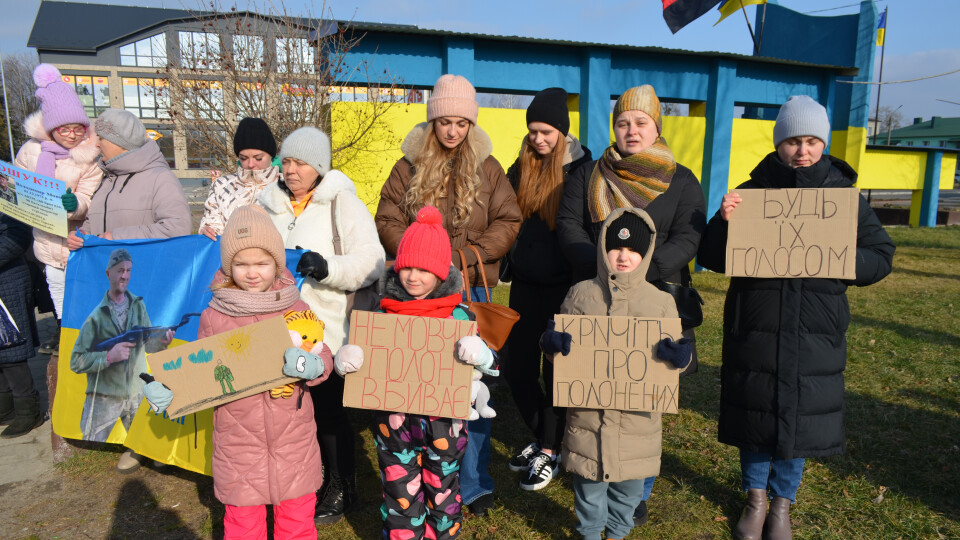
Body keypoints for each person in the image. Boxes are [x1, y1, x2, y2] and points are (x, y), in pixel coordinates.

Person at [697, 95, 895, 540]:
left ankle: (782, 503)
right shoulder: (750, 192)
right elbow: (711, 256)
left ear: (822, 144)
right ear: (778, 143)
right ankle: (755, 498)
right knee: (756, 412)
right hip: (756, 324)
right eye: (791, 141)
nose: (801, 150)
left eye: (810, 141)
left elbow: (881, 255)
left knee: (799, 416)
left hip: (815, 328)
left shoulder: (844, 198)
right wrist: (724, 222)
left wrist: (842, 260)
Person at [555, 84, 706, 524]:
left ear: (656, 127)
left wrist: (641, 271)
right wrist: (604, 268)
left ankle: (635, 488)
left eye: (641, 122)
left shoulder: (680, 179)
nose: (631, 130)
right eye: (623, 122)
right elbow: (569, 226)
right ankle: (595, 478)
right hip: (595, 300)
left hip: (654, 299)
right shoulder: (588, 175)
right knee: (596, 397)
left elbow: (688, 235)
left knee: (642, 400)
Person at [375, 73, 521, 516]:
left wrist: (469, 253)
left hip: (471, 286)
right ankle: (416, 471)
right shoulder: (408, 165)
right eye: (444, 122)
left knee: (467, 383)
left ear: (471, 124)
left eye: (461, 122)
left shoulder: (489, 167)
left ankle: (472, 482)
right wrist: (420, 259)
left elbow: (509, 221)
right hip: (417, 289)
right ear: (432, 121)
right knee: (417, 383)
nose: (453, 131)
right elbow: (386, 216)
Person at [143, 205, 334, 539]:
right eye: (241, 264)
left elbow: (323, 355)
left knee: (297, 525)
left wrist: (313, 365)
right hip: (238, 445)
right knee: (243, 527)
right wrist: (171, 391)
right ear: (228, 265)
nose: (252, 272)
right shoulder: (215, 316)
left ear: (276, 263)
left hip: (294, 442)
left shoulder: (295, 307)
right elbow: (200, 375)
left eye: (261, 263)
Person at [336, 205, 497, 539]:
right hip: (394, 427)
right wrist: (349, 360)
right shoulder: (383, 313)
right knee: (400, 498)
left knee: (443, 493)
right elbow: (366, 364)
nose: (412, 276)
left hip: (444, 428)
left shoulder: (459, 317)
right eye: (406, 266)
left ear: (440, 273)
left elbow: (492, 366)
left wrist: (481, 355)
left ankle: (442, 534)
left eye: (423, 269)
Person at [258, 126, 385, 524]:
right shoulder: (266, 206)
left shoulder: (341, 204)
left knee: (327, 412)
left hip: (325, 330)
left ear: (318, 167)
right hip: (272, 328)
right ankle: (300, 482)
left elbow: (372, 261)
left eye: (299, 163)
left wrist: (328, 268)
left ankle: (342, 487)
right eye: (286, 161)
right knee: (285, 413)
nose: (290, 169)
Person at [542, 208, 689, 540]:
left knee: (628, 489)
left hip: (637, 424)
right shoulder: (580, 294)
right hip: (588, 420)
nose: (624, 257)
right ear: (603, 249)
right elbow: (559, 356)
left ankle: (618, 532)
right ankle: (590, 532)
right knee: (588, 487)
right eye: (616, 248)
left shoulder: (661, 302)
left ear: (646, 253)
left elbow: (677, 359)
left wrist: (676, 355)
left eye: (633, 250)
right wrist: (553, 345)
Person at [501, 87, 593, 491]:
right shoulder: (518, 168)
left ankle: (551, 451)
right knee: (516, 367)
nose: (539, 139)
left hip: (564, 287)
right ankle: (547, 439)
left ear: (562, 131)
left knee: (558, 371)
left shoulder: (582, 169)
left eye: (547, 132)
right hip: (523, 284)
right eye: (533, 131)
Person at [14, 64, 103, 354]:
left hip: (75, 239)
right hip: (46, 240)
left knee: (83, 293)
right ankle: (67, 339)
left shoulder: (89, 159)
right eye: (65, 129)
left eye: (78, 129)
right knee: (57, 291)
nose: (72, 135)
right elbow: (17, 186)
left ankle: (87, 339)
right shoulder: (31, 151)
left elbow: (88, 197)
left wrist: (74, 204)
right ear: (52, 128)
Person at [69, 248, 173, 446]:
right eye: (119, 270)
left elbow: (148, 346)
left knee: (146, 445)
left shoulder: (138, 305)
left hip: (136, 392)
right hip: (104, 397)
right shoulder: (95, 317)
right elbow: (76, 361)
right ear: (109, 273)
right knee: (92, 446)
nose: (124, 275)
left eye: (128, 270)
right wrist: (108, 357)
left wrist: (162, 342)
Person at [67, 109, 191, 249]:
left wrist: (117, 237)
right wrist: (82, 234)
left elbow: (177, 229)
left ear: (120, 142)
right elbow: (93, 222)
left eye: (101, 138)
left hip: (141, 269)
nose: (97, 144)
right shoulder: (107, 179)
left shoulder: (160, 178)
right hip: (104, 267)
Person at [198, 117, 280, 239]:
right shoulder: (221, 186)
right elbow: (212, 226)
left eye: (258, 158)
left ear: (271, 156)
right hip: (227, 255)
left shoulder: (286, 186)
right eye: (244, 158)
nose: (251, 164)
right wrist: (207, 229)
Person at [0, 214, 45, 438]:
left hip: (7, 280)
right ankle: (5, 408)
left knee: (11, 351)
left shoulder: (4, 195)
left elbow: (17, 236)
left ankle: (29, 412)